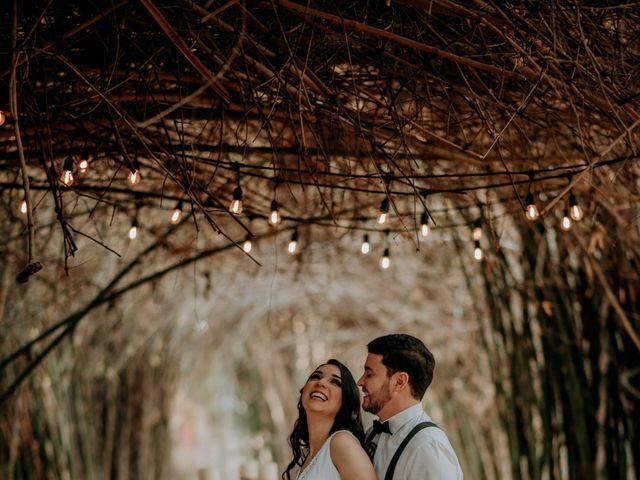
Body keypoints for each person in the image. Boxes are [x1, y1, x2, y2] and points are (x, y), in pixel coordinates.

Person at [357, 334, 463, 480]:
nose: (360, 382)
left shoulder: (428, 448)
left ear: (399, 382)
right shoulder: (372, 434)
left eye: (369, 374)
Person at [283, 359, 377, 480]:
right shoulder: (304, 457)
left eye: (335, 382)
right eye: (316, 377)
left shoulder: (342, 443)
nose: (321, 383)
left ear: (346, 401)